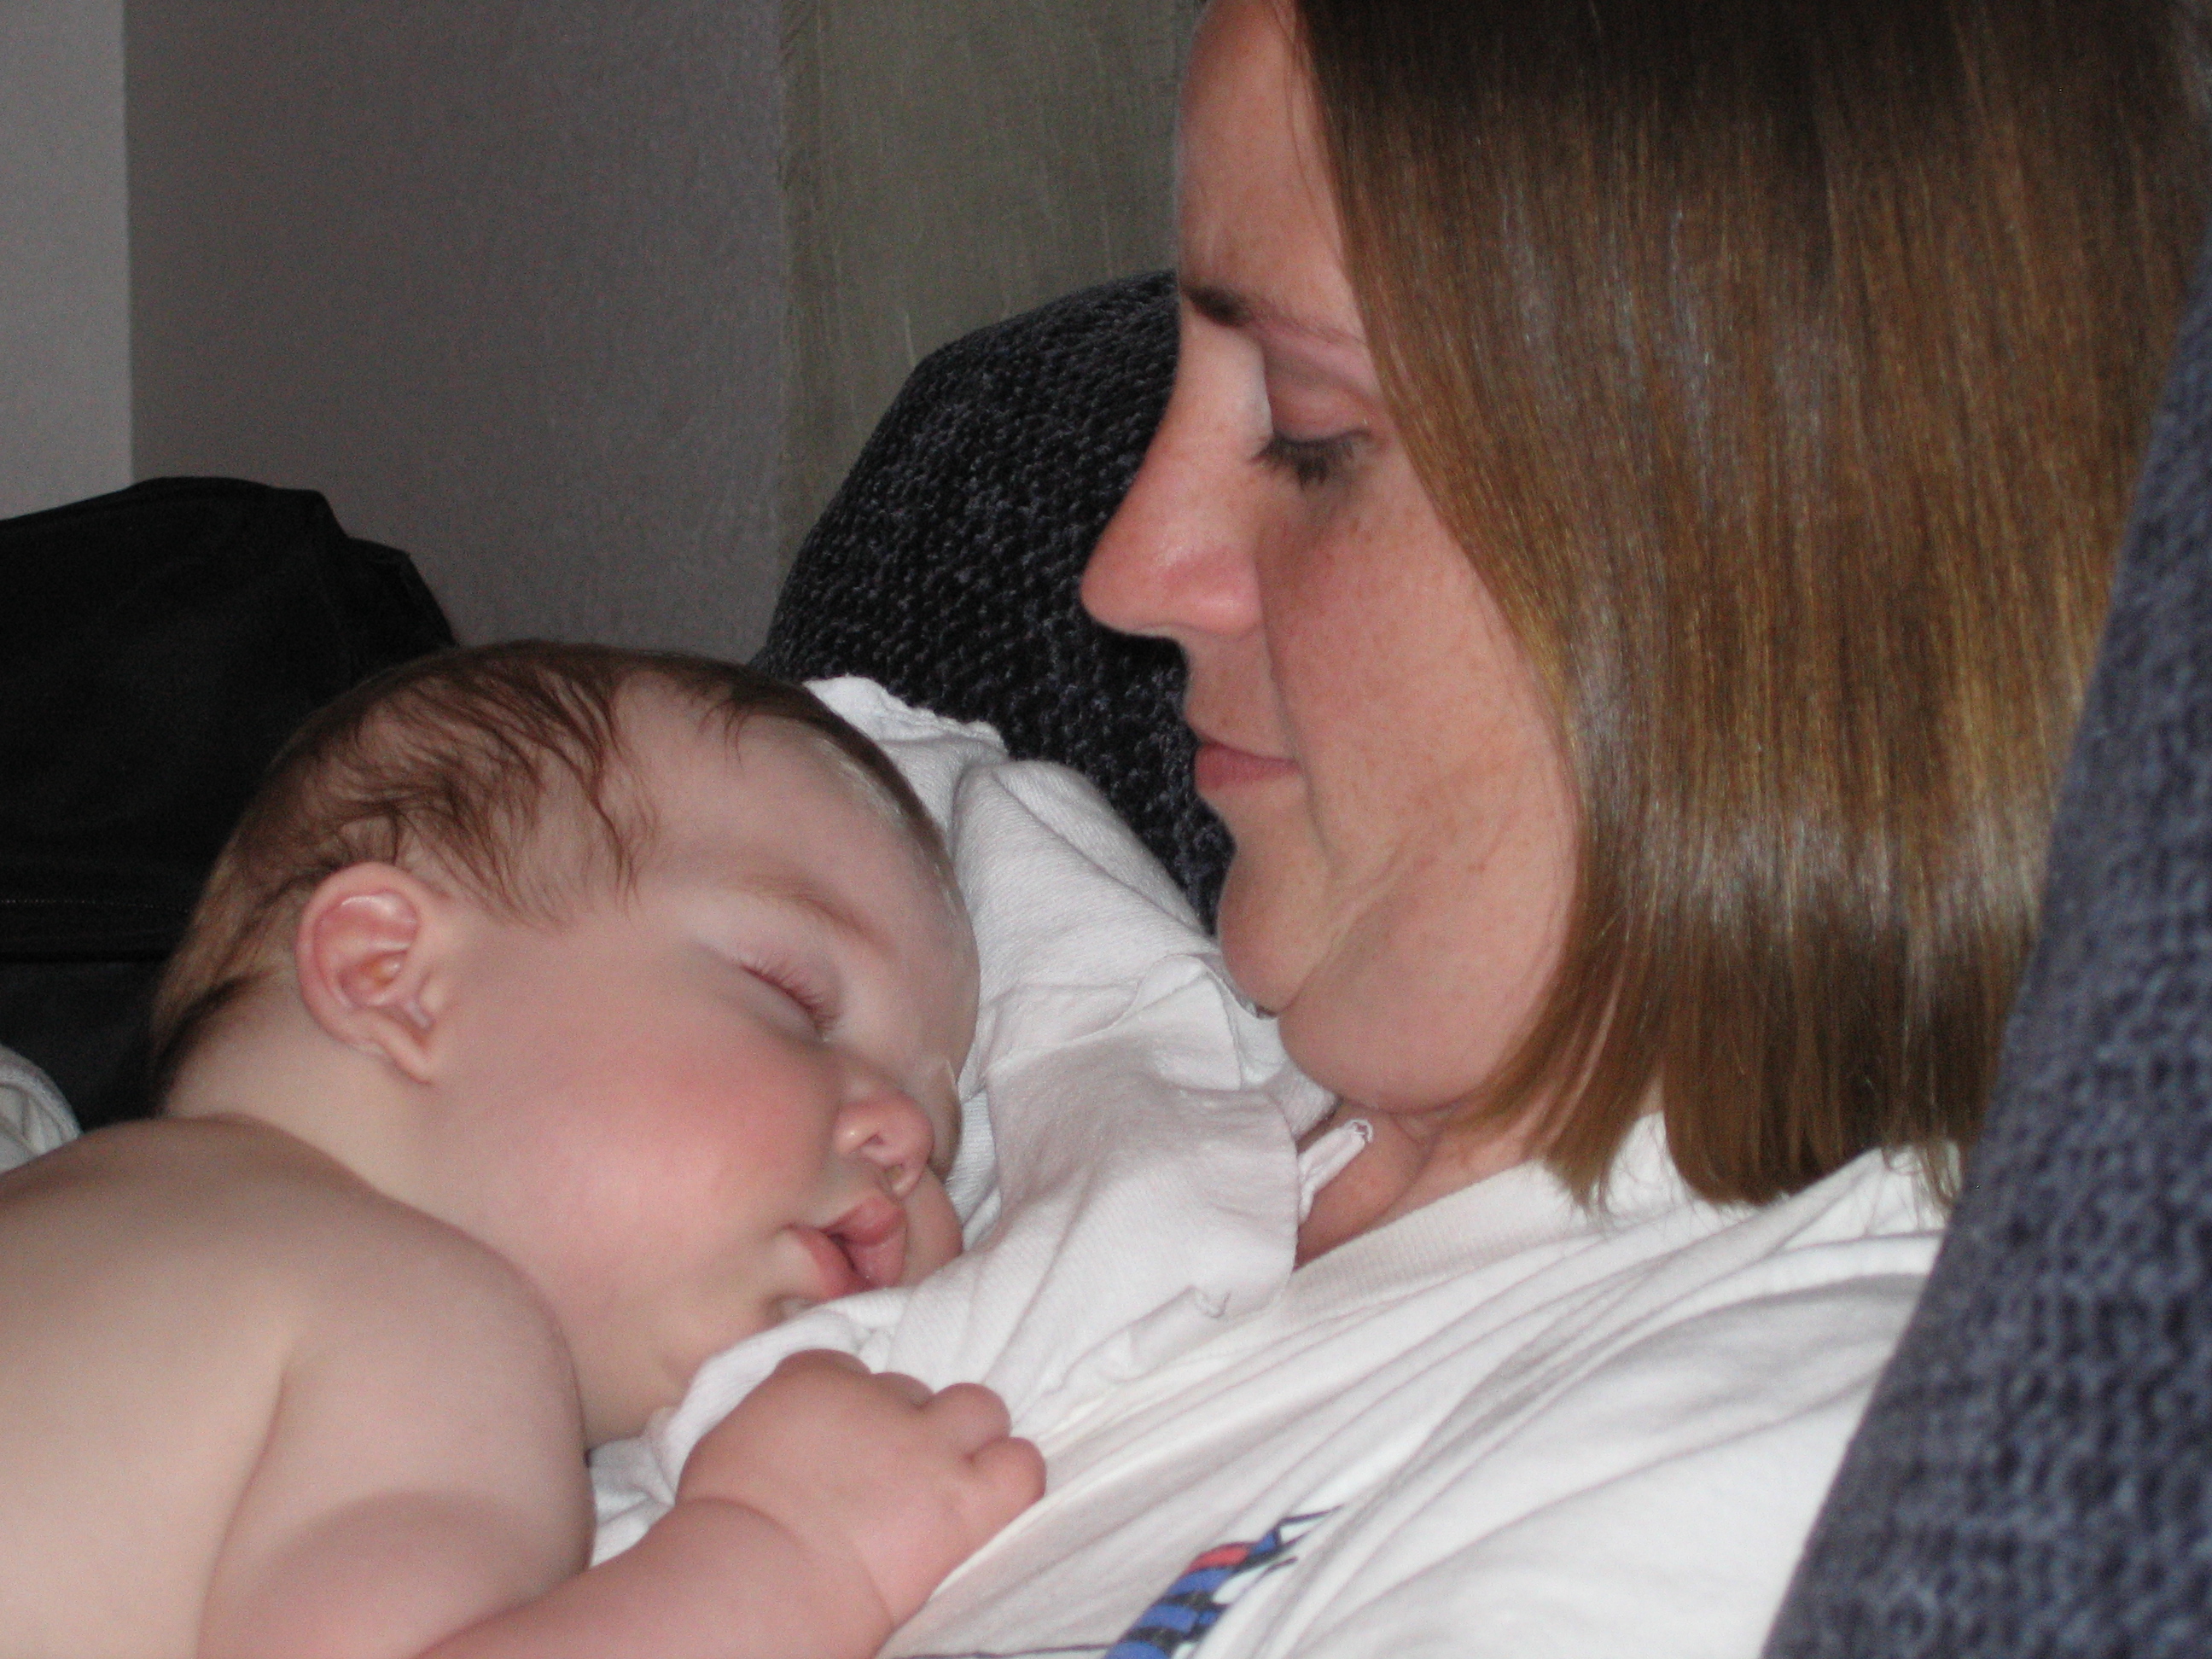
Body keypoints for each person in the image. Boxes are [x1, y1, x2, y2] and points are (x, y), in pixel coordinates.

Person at [865, 3, 2212, 1656]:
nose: (1129, 572)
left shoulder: (1766, 1466)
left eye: (1306, 423)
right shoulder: (1038, 1026)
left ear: (1768, 528)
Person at [0, 642, 1042, 1659]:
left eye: (944, 1148)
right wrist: (792, 1551)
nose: (906, 1137)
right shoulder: (418, 1305)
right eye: (795, 1003)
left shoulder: (78, 1214)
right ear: (395, 976)